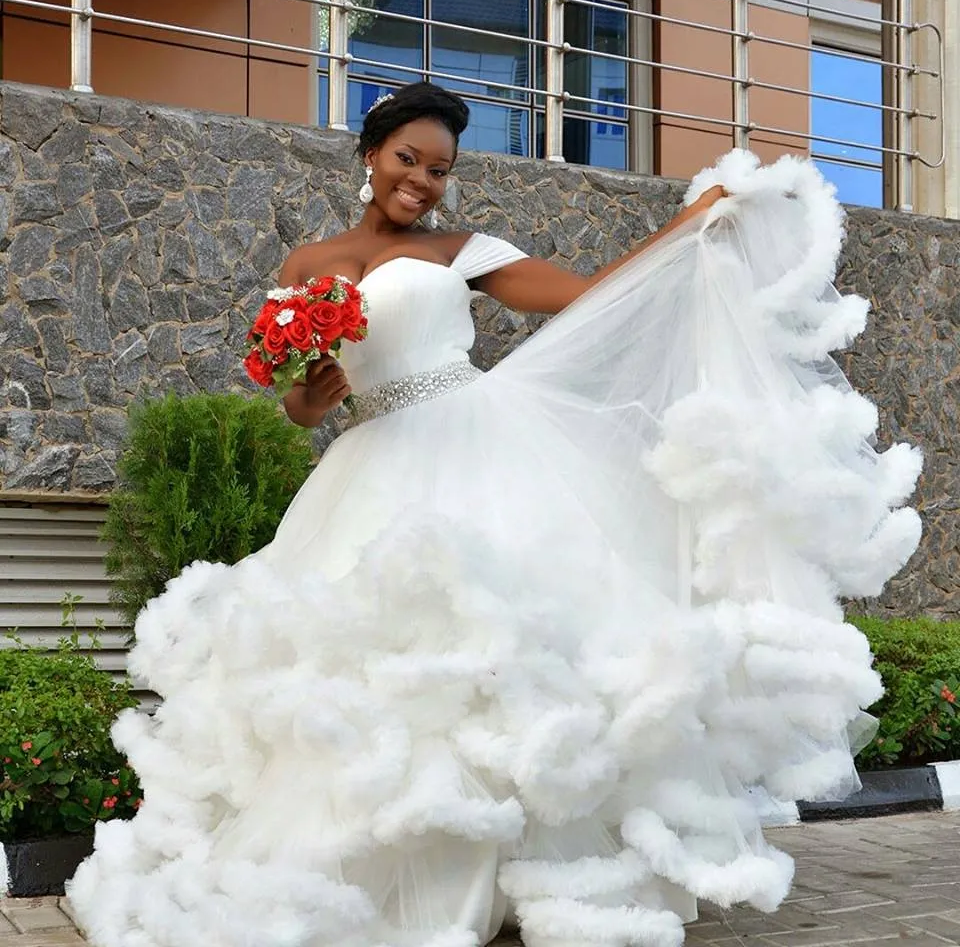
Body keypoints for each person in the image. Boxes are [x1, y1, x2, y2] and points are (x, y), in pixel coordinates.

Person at [68, 83, 922, 947]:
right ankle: (379, 858)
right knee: (357, 666)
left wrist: (686, 225)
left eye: (441, 168)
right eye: (410, 159)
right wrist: (308, 400)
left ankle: (514, 865)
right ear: (372, 155)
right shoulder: (304, 265)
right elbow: (298, 405)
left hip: (472, 444)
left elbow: (588, 295)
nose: (424, 180)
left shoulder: (460, 250)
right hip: (366, 464)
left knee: (492, 652)